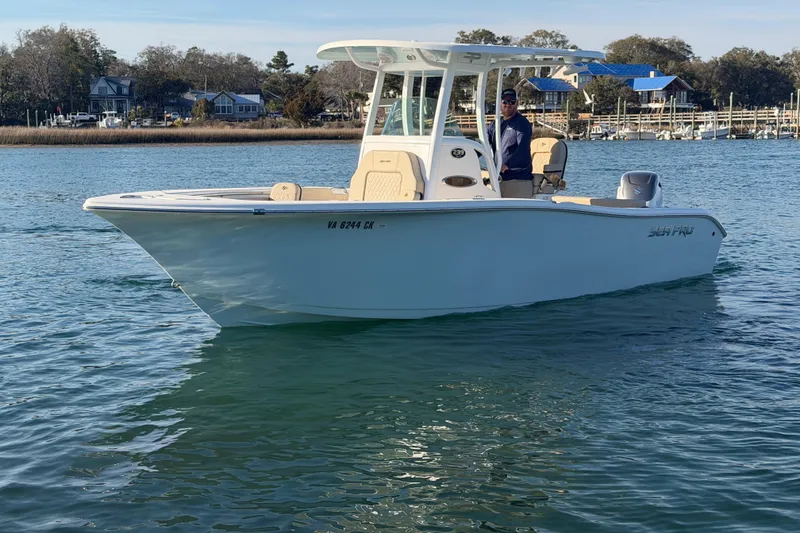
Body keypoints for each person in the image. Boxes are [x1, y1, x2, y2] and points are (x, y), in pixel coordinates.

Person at [487, 88, 533, 198]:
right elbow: (483, 143)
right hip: (499, 178)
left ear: (517, 103)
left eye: (512, 102)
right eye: (505, 102)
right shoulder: (495, 124)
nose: (508, 105)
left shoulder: (522, 124)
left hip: (517, 180)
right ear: (500, 103)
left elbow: (522, 149)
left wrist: (507, 165)